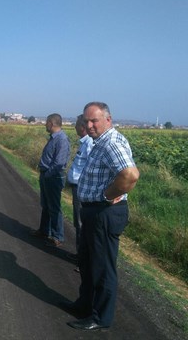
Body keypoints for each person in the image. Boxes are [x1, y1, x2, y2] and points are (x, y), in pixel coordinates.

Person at [65, 101, 140, 331]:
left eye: (94, 120)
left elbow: (129, 174)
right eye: (86, 121)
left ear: (108, 119)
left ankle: (100, 317)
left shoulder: (111, 142)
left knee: (102, 267)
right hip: (93, 211)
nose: (89, 125)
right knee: (87, 262)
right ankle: (85, 305)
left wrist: (107, 196)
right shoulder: (99, 141)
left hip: (104, 212)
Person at [29, 113, 70, 247]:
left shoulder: (61, 139)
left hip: (53, 176)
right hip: (47, 175)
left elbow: (59, 162)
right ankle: (44, 230)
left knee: (54, 207)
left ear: (52, 123)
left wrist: (48, 174)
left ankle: (58, 236)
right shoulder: (54, 138)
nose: (45, 125)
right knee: (46, 205)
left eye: (46, 122)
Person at [66, 114, 94, 266]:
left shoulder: (89, 144)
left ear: (82, 127)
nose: (75, 127)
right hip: (78, 188)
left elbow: (89, 168)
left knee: (81, 223)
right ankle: (80, 255)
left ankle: (83, 260)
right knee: (78, 222)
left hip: (82, 190)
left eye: (76, 125)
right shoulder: (84, 143)